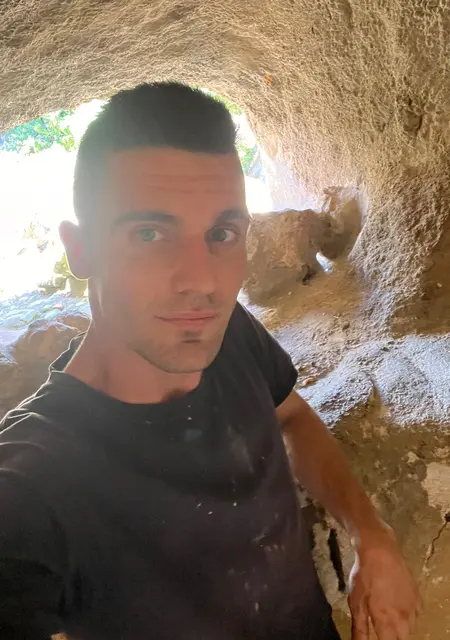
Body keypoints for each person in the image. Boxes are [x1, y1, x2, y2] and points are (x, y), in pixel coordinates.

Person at [0, 83, 419, 640]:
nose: (202, 281)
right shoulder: (29, 483)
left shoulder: (228, 332)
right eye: (150, 233)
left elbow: (291, 415)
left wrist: (371, 535)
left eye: (222, 233)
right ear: (80, 250)